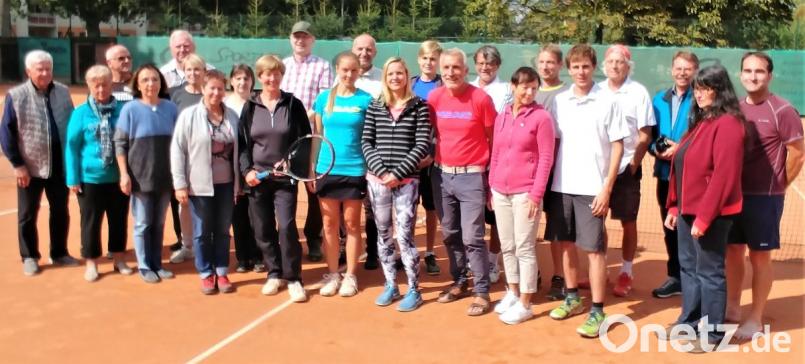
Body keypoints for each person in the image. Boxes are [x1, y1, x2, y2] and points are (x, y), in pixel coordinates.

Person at [545, 44, 627, 338]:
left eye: (586, 66)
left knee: (593, 250)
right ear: (569, 69)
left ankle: (597, 310)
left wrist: (606, 188)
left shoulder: (608, 101)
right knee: (566, 244)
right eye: (575, 67)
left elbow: (618, 145)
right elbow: (552, 141)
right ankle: (571, 299)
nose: (581, 72)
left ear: (594, 68)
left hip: (593, 188)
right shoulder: (559, 101)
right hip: (561, 187)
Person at [663, 64, 746, 352]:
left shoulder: (729, 124)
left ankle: (712, 335)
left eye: (707, 88)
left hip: (711, 214)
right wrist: (674, 207)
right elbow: (681, 166)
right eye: (698, 88)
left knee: (710, 272)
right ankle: (689, 320)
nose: (700, 94)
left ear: (720, 90)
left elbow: (724, 175)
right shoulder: (701, 121)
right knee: (688, 267)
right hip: (687, 211)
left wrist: (704, 217)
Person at [725, 52, 804, 340]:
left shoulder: (783, 111)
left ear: (769, 75)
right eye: (747, 71)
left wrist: (780, 184)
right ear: (741, 74)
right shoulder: (733, 108)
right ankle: (732, 306)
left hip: (764, 198)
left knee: (760, 257)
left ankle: (755, 318)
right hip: (732, 196)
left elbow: (797, 153)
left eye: (759, 71)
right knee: (732, 252)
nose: (753, 76)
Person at [429, 48, 496, 316]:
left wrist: (490, 177)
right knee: (450, 233)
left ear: (465, 70)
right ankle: (459, 281)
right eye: (445, 68)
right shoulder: (434, 98)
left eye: (456, 68)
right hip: (441, 175)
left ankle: (481, 291)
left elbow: (494, 139)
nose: (450, 73)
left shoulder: (481, 99)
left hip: (472, 176)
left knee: (472, 237)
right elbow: (429, 133)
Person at [362, 57, 432, 312]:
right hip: (377, 181)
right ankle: (391, 284)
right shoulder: (375, 105)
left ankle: (414, 288)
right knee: (383, 234)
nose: (395, 78)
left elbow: (422, 144)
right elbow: (366, 142)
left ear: (406, 76)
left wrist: (398, 173)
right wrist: (382, 173)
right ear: (385, 77)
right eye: (391, 73)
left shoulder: (419, 106)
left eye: (400, 73)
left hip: (407, 182)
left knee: (405, 235)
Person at [240, 55, 311, 303]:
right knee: (263, 228)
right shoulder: (250, 107)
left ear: (282, 75)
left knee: (287, 225)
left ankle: (293, 278)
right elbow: (242, 145)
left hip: (285, 180)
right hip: (258, 179)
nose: (272, 78)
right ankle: (274, 272)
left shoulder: (293, 104)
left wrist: (291, 163)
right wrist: (247, 170)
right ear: (259, 77)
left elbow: (305, 140)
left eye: (276, 73)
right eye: (266, 74)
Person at [1, 50, 76, 276]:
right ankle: (30, 256)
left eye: (48, 69)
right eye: (39, 69)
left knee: (61, 210)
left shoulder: (63, 92)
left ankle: (60, 253)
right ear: (28, 71)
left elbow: (72, 124)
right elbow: (6, 133)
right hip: (30, 167)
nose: (45, 73)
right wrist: (18, 165)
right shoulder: (17, 95)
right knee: (27, 214)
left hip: (60, 165)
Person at [489, 67, 555, 324]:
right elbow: (495, 153)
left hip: (525, 193)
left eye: (534, 88)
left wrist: (535, 195)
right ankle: (513, 293)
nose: (529, 92)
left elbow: (546, 159)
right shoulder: (503, 115)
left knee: (525, 247)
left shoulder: (542, 118)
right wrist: (491, 187)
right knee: (507, 245)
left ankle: (526, 303)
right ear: (513, 87)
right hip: (500, 191)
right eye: (524, 87)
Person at [171, 69, 239, 295]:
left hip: (227, 183)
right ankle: (206, 273)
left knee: (222, 230)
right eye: (212, 88)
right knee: (201, 231)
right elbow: (178, 150)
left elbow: (240, 149)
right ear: (203, 89)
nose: (216, 93)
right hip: (198, 184)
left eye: (220, 88)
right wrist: (180, 184)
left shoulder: (232, 116)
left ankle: (221, 269)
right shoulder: (189, 116)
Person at [311, 52, 373, 297]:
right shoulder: (324, 98)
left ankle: (350, 276)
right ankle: (333, 273)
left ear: (359, 72)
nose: (349, 74)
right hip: (326, 169)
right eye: (344, 70)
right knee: (328, 224)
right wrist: (312, 169)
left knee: (351, 225)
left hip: (355, 168)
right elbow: (317, 137)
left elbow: (370, 137)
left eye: (353, 70)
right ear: (337, 69)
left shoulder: (366, 100)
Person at [64, 65, 133, 281]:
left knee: (118, 219)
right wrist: (73, 178)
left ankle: (119, 259)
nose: (101, 89)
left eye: (104, 84)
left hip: (118, 178)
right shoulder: (80, 113)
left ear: (111, 84)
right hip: (90, 179)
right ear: (89, 86)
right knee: (90, 222)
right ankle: (92, 262)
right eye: (96, 85)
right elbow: (72, 147)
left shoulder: (123, 110)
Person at [597, 45, 656, 297]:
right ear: (604, 65)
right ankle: (599, 271)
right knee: (595, 222)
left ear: (628, 66)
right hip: (599, 170)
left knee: (627, 222)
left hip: (627, 169)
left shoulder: (638, 92)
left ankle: (626, 271)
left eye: (619, 62)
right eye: (610, 61)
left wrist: (633, 164)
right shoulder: (596, 91)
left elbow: (645, 134)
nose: (614, 66)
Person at [114, 63, 178, 284]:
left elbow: (179, 143)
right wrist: (124, 174)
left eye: (155, 79)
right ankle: (144, 265)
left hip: (165, 177)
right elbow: (120, 143)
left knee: (159, 223)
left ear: (161, 83)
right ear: (138, 85)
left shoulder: (170, 108)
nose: (151, 84)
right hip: (139, 177)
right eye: (145, 80)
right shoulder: (130, 109)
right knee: (142, 224)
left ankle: (157, 264)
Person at [280, 21, 333, 262]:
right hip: (285, 140)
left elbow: (322, 103)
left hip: (312, 138)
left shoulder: (322, 66)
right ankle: (288, 238)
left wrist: (302, 122)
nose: (300, 40)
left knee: (314, 190)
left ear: (312, 40)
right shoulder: (283, 66)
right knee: (285, 188)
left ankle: (313, 238)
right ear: (291, 39)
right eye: (296, 37)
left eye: (305, 37)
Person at [649, 51, 699, 299]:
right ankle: (676, 277)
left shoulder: (701, 100)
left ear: (694, 71)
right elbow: (649, 136)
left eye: (687, 69)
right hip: (665, 176)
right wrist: (656, 151)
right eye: (678, 68)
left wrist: (680, 150)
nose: (682, 73)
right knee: (669, 227)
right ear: (672, 70)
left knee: (692, 228)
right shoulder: (658, 99)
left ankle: (696, 278)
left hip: (692, 177)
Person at [470, 45, 511, 284]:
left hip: (497, 161)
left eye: (491, 63)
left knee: (495, 216)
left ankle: (493, 262)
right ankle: (474, 261)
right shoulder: (467, 88)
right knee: (472, 216)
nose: (486, 67)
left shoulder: (506, 90)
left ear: (498, 65)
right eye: (482, 63)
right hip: (471, 162)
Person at [534, 44, 571, 301]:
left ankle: (559, 277)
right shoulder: (529, 91)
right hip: (531, 172)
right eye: (542, 62)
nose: (546, 67)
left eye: (551, 62)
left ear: (560, 66)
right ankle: (531, 271)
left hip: (560, 171)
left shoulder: (568, 93)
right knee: (529, 222)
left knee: (557, 227)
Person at [167, 53, 208, 264]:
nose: (193, 73)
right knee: (184, 204)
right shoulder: (175, 95)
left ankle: (206, 244)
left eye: (197, 69)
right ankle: (187, 245)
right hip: (183, 159)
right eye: (189, 69)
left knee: (207, 204)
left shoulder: (210, 94)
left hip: (207, 159)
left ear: (204, 72)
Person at [225, 64, 264, 273]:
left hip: (254, 166)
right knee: (237, 214)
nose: (242, 82)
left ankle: (259, 256)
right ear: (231, 81)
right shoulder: (224, 104)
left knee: (256, 214)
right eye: (238, 78)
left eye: (246, 78)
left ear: (252, 82)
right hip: (230, 167)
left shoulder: (258, 103)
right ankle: (243, 257)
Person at [349, 33, 382, 270]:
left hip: (374, 153)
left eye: (368, 49)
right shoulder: (342, 77)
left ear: (375, 52)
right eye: (359, 49)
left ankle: (373, 251)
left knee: (372, 207)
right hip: (348, 153)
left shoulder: (383, 79)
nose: (364, 53)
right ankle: (345, 248)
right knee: (347, 203)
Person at [410, 39, 442, 276]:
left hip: (433, 160)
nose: (429, 62)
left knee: (431, 208)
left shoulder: (444, 85)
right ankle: (409, 251)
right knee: (408, 206)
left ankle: (430, 252)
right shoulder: (409, 85)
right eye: (425, 58)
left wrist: (433, 154)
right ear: (419, 60)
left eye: (433, 58)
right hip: (409, 159)